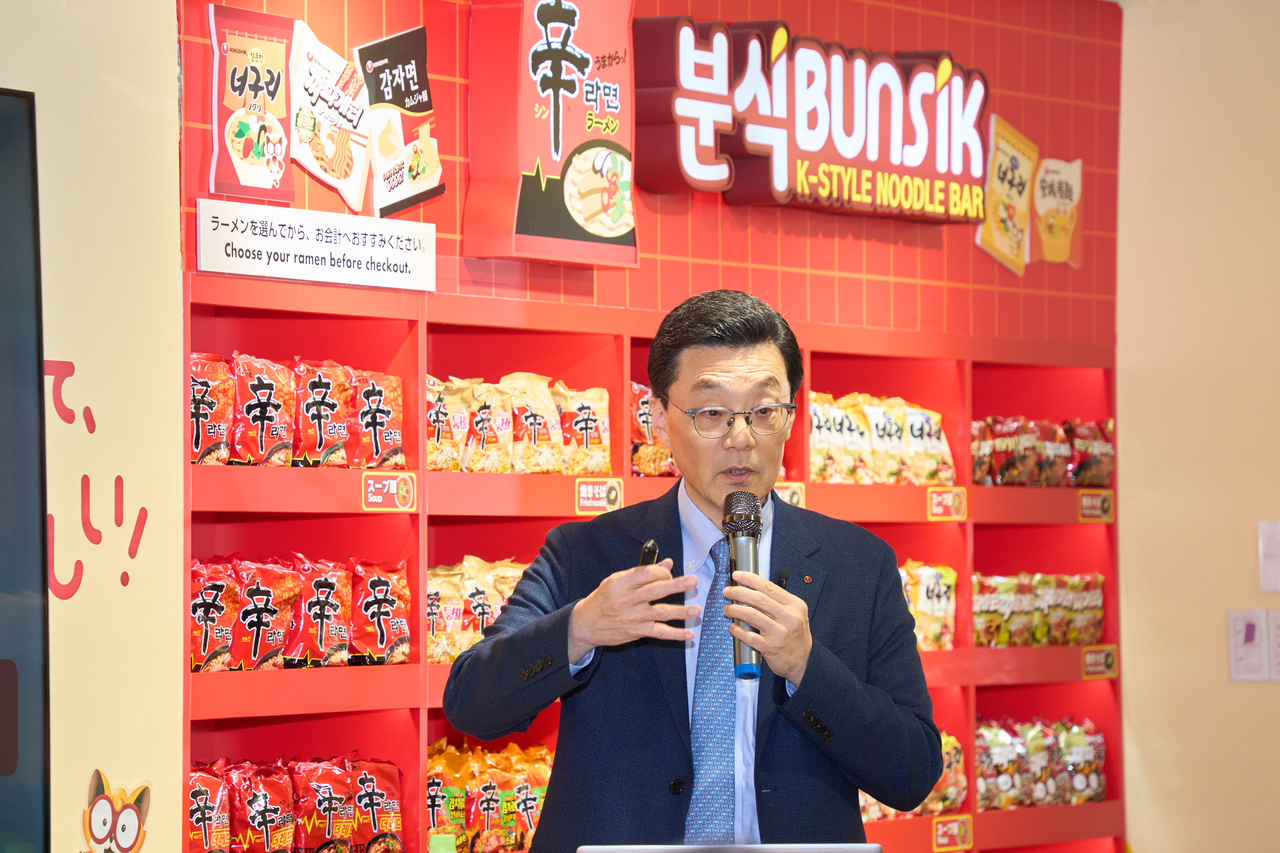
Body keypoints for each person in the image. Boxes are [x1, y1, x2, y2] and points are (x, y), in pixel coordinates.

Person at [443, 290, 941, 852]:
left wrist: (808, 666)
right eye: (711, 412)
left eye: (764, 411)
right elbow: (470, 706)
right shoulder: (587, 552)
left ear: (791, 417)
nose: (741, 438)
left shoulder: (858, 564)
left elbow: (912, 773)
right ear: (659, 417)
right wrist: (581, 627)